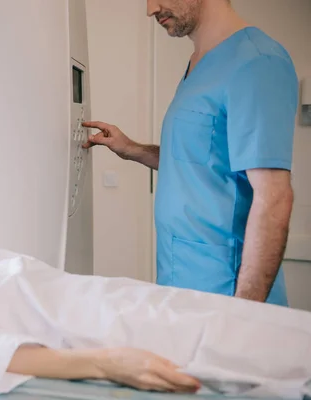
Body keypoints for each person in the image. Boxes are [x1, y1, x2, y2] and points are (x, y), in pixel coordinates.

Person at [0, 237, 311, 397]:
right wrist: (108, 363)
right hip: (95, 328)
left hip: (106, 302)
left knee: (235, 321)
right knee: (247, 341)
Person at [82, 0, 298, 306]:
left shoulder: (258, 62)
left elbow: (274, 196)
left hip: (226, 292)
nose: (150, 9)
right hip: (179, 279)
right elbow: (202, 163)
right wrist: (132, 150)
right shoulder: (198, 63)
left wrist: (243, 311)